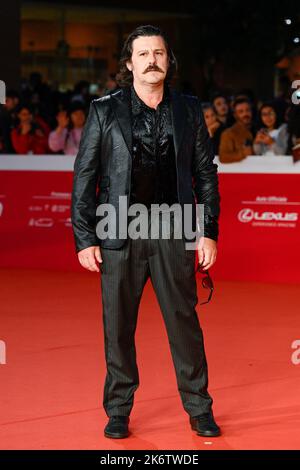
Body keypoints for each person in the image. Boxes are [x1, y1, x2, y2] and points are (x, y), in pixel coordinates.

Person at [71, 25, 221, 439]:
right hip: (117, 228)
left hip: (175, 228)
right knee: (118, 326)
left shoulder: (189, 109)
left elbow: (206, 173)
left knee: (183, 323)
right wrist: (85, 238)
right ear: (129, 63)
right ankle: (118, 409)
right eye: (143, 54)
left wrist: (207, 231)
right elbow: (85, 175)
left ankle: (199, 407)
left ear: (169, 61)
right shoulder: (104, 109)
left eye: (159, 53)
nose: (152, 59)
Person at [219, 97, 254, 163]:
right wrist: (242, 153)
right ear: (235, 115)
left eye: (248, 110)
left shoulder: (258, 129)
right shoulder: (228, 133)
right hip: (241, 171)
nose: (245, 114)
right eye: (241, 111)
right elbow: (223, 157)